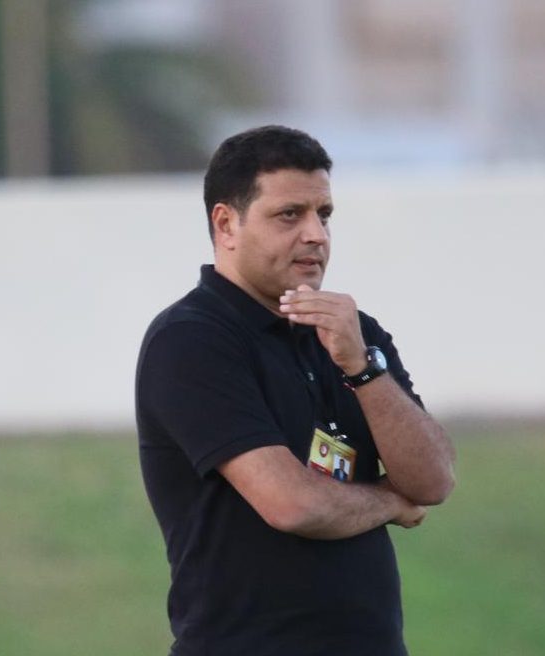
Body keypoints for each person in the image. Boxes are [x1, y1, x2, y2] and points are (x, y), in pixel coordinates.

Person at [134, 125, 456, 655]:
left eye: (323, 214)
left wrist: (361, 369)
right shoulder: (191, 339)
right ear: (226, 224)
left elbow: (434, 479)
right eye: (290, 215)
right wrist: (389, 501)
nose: (316, 235)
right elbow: (292, 504)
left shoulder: (354, 334)